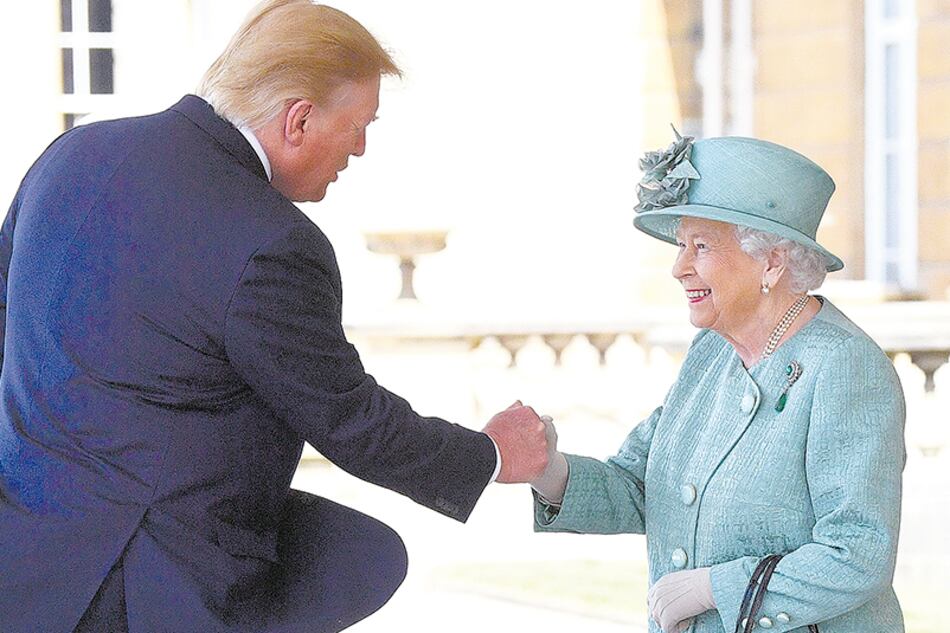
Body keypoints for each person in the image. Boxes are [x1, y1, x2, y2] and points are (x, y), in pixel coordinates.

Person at [0, 1, 548, 632]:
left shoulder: (70, 155)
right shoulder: (273, 242)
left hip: (24, 565)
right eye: (360, 125)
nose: (362, 149)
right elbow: (348, 419)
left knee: (355, 552)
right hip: (152, 592)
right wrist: (491, 455)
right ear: (299, 119)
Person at [525, 132, 906, 633]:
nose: (679, 268)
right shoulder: (712, 353)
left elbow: (857, 552)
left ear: (771, 261)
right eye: (682, 245)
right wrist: (545, 468)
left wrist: (715, 589)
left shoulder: (843, 367)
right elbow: (642, 483)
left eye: (700, 247)